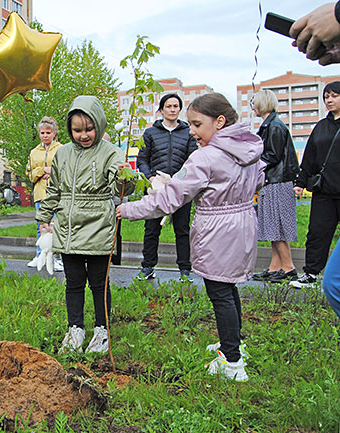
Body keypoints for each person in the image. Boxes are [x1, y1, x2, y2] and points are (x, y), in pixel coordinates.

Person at [118, 93, 265, 382]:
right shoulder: (248, 148)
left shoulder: (205, 157)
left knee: (219, 291)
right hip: (243, 220)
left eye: (197, 124)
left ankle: (232, 362)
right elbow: (260, 179)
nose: (193, 131)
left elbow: (170, 198)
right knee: (228, 285)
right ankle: (233, 343)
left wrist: (130, 209)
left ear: (219, 122)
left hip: (217, 227)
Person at [37, 95, 134, 354]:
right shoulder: (63, 154)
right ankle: (75, 329)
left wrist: (126, 176)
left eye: (89, 129)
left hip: (99, 224)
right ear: (69, 129)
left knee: (99, 283)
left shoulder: (110, 152)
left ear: (99, 125)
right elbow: (55, 189)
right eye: (77, 130)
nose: (84, 135)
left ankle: (102, 331)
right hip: (69, 227)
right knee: (74, 281)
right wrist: (44, 217)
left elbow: (123, 188)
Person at [136, 93, 198, 280]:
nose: (172, 110)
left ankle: (185, 271)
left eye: (176, 106)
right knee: (152, 228)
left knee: (182, 229)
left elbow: (193, 160)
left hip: (180, 188)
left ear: (180, 109)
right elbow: (142, 160)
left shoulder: (188, 132)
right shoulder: (150, 133)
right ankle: (147, 267)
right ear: (161, 109)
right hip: (156, 190)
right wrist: (151, 178)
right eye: (168, 106)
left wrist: (180, 180)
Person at [292, 82, 340, 288]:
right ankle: (311, 274)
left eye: (334, 96)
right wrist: (300, 182)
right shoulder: (321, 126)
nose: (329, 100)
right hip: (324, 192)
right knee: (317, 233)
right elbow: (309, 157)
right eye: (326, 96)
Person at [249, 90, 300, 283]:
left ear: (263, 103)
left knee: (277, 227)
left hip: (277, 181)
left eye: (254, 102)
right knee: (273, 227)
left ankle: (288, 268)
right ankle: (274, 267)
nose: (252, 106)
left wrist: (252, 164)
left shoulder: (274, 127)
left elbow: (273, 155)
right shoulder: (270, 125)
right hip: (274, 181)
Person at [26, 116, 63, 271]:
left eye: (48, 132)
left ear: (54, 133)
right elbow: (29, 174)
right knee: (41, 225)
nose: (45, 135)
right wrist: (42, 170)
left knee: (55, 225)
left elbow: (65, 170)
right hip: (40, 193)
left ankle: (57, 258)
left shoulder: (62, 149)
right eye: (42, 132)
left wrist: (52, 171)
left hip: (57, 194)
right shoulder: (34, 152)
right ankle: (40, 254)